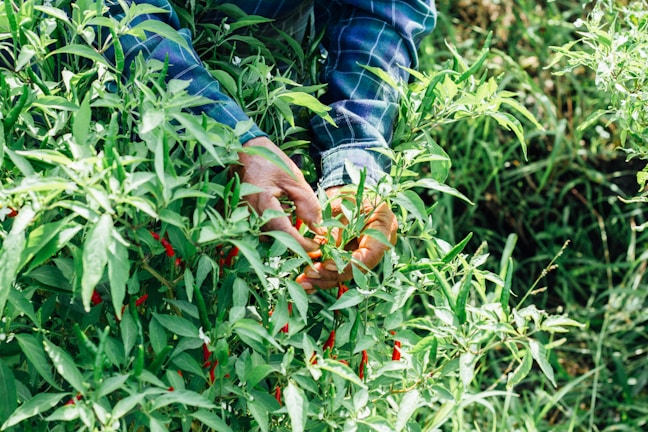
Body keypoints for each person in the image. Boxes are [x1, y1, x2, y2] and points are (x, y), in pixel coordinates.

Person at [105, 0, 437, 292]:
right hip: (109, 96)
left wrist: (354, 160)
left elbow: (387, 10)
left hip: (270, 98)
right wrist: (229, 130)